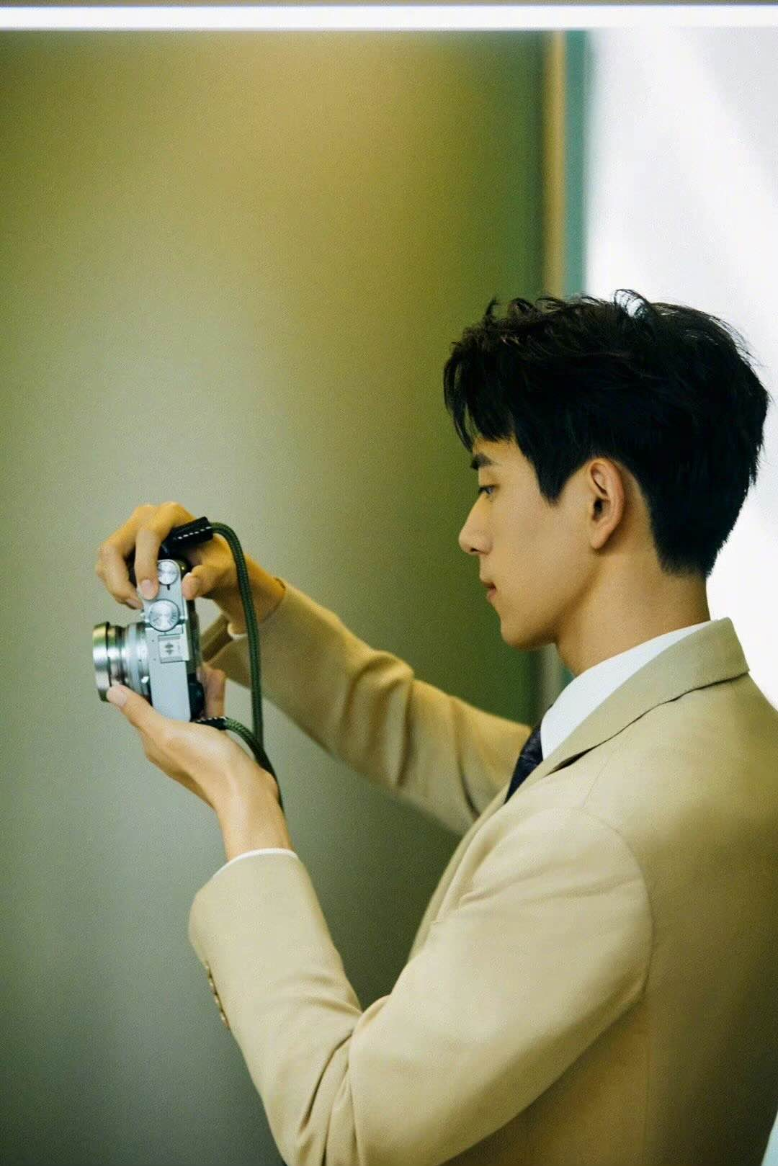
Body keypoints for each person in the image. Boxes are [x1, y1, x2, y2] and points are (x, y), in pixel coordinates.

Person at [96, 289, 778, 1166]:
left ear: (599, 500)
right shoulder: (719, 742)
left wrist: (243, 804)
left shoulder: (597, 834)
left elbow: (341, 1130)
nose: (470, 532)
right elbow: (422, 739)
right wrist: (246, 593)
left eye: (490, 486)